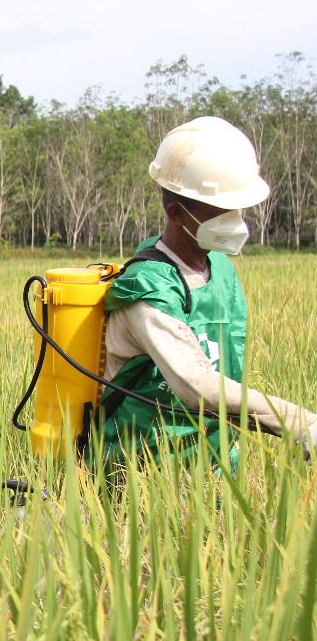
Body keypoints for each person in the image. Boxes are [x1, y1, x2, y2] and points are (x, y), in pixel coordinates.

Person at [98, 116, 317, 470]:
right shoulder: (148, 289)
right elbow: (197, 385)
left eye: (237, 209)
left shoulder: (220, 268)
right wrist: (298, 422)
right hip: (144, 470)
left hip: (211, 461)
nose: (236, 222)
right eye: (222, 212)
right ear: (176, 214)